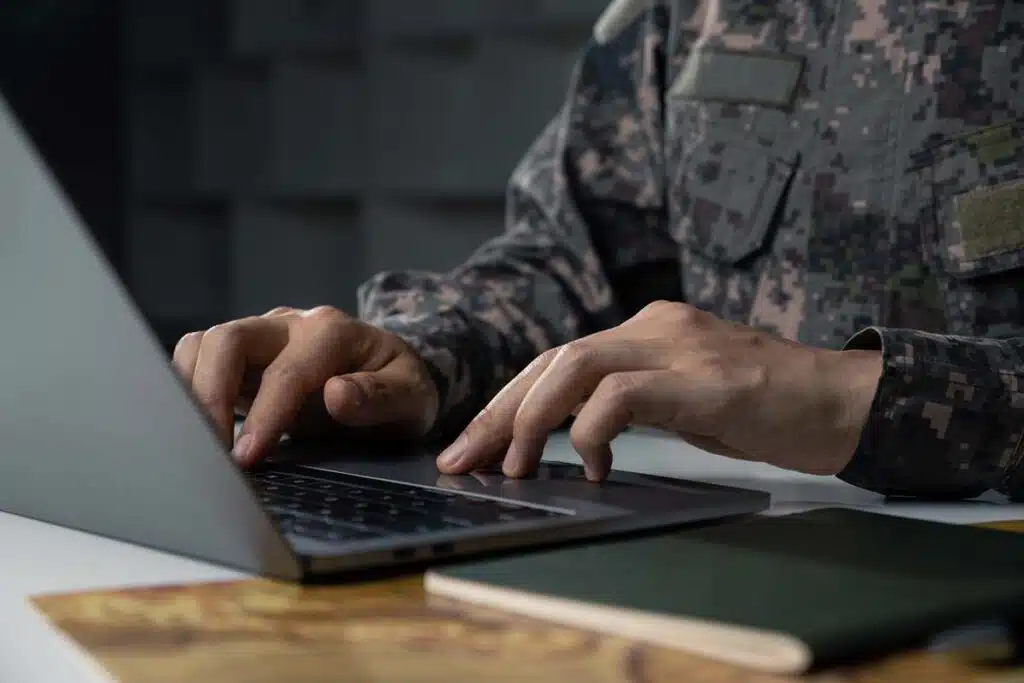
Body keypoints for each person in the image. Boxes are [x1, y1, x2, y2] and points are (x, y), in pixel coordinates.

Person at [172, 0, 1024, 501]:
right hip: (744, 557)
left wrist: (853, 396)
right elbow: (568, 261)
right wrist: (419, 360)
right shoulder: (687, 13)